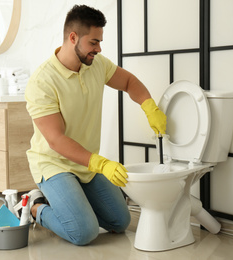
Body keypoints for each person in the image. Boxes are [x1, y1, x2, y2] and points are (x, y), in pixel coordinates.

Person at [24, 4, 166, 246]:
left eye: (100, 42)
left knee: (120, 222)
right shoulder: (43, 81)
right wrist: (101, 163)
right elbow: (56, 140)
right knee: (83, 233)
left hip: (86, 164)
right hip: (54, 164)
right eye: (93, 42)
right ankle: (36, 208)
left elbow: (129, 81)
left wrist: (149, 107)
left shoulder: (96, 65)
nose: (99, 49)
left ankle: (73, 203)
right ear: (73, 38)